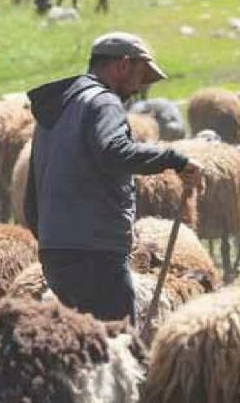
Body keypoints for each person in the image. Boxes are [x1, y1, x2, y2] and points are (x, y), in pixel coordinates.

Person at [24, 31, 202, 326]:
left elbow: (33, 187)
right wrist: (173, 159)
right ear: (122, 65)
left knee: (83, 344)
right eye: (140, 75)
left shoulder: (57, 110)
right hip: (94, 252)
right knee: (115, 342)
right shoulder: (103, 103)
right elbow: (113, 152)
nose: (138, 87)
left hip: (56, 251)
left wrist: (49, 237)